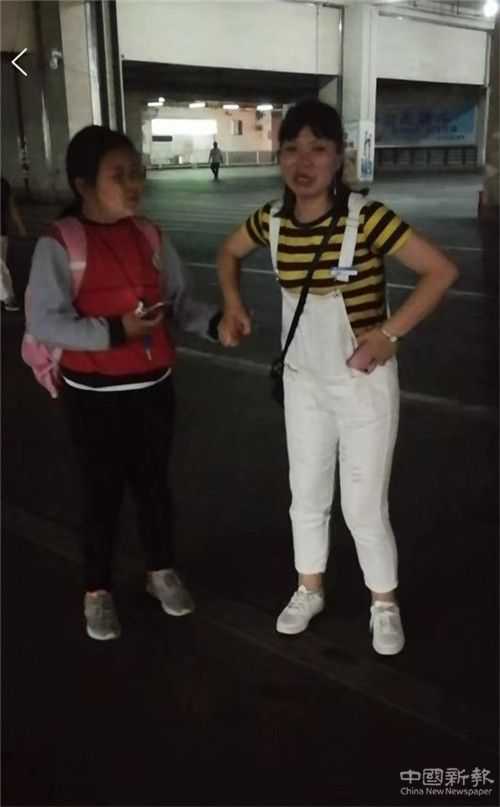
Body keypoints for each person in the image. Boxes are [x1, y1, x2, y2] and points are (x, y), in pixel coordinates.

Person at [216, 99, 458, 655]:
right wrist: (232, 304)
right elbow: (229, 253)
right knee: (305, 495)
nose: (303, 162)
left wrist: (390, 334)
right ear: (279, 156)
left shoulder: (367, 219)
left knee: (363, 505)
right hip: (302, 382)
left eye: (318, 149)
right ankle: (309, 589)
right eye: (291, 149)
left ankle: (384, 603)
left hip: (361, 386)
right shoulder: (271, 221)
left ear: (339, 157)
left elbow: (440, 271)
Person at [27, 125, 220, 641]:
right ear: (83, 184)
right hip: (93, 397)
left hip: (154, 388)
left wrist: (217, 323)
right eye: (119, 176)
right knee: (101, 494)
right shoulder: (60, 243)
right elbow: (44, 322)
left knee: (155, 487)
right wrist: (116, 331)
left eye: (137, 173)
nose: (135, 184)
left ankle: (161, 571)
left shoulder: (151, 236)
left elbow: (180, 303)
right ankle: (97, 590)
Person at [1, 175, 27, 311]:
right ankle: (7, 298)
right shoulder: (3, 184)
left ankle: (8, 298)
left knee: (1, 265)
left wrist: (20, 226)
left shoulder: (3, 184)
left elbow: (12, 207)